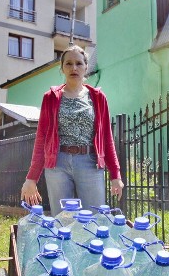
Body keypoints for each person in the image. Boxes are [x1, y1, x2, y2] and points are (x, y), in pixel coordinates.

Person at [21, 45, 124, 214]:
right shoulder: (50, 98)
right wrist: (31, 178)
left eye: (78, 63)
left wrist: (115, 175)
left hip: (89, 162)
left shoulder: (98, 98)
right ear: (62, 68)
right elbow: (42, 138)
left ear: (86, 67)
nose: (74, 68)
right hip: (57, 164)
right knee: (63, 219)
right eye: (68, 63)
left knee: (94, 217)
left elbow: (107, 137)